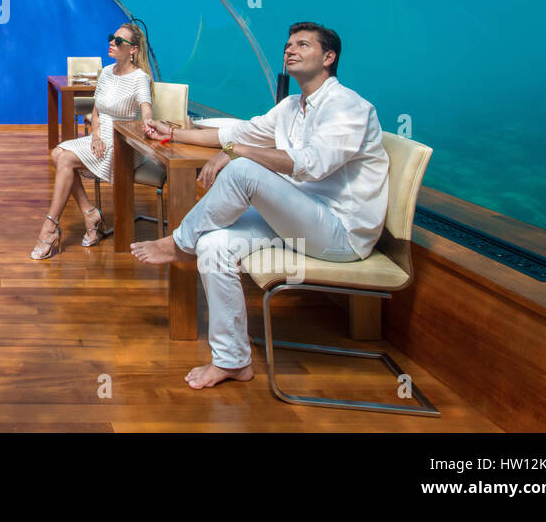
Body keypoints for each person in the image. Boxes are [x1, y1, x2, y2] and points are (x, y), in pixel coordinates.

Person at [130, 22, 389, 390]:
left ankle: (177, 242)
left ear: (329, 58)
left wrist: (235, 154)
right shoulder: (290, 107)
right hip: (299, 220)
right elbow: (234, 135)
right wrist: (173, 133)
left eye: (303, 44)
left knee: (243, 169)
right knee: (212, 244)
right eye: (287, 44)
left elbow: (312, 163)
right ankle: (233, 361)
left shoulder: (347, 106)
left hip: (340, 234)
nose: (290, 50)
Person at [31, 23, 154, 259]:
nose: (111, 43)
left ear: (133, 50)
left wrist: (149, 123)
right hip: (100, 138)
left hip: (123, 145)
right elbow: (96, 112)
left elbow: (146, 109)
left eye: (118, 41)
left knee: (63, 158)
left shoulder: (140, 78)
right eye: (111, 38)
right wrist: (95, 135)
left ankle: (50, 227)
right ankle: (89, 213)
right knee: (57, 154)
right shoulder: (107, 72)